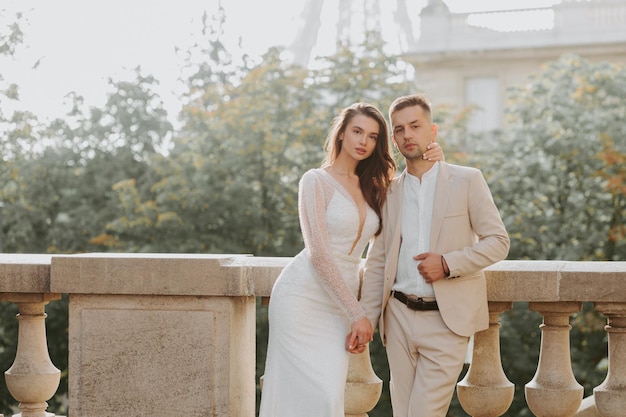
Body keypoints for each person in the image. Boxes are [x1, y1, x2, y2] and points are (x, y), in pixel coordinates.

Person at [258, 102, 444, 417]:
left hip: (340, 307)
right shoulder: (315, 181)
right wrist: (357, 312)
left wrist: (437, 163)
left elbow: (419, 208)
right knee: (306, 395)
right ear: (341, 133)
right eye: (357, 131)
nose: (363, 142)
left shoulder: (376, 185)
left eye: (372, 137)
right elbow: (318, 254)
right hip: (302, 297)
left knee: (329, 396)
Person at [359, 93, 510, 417]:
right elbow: (377, 261)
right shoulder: (389, 191)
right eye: (399, 129)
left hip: (446, 320)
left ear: (433, 131)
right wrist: (367, 319)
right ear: (394, 139)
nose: (407, 135)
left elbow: (498, 240)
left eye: (415, 126)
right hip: (397, 317)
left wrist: (447, 263)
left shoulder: (467, 180)